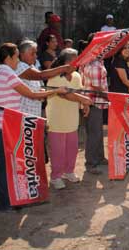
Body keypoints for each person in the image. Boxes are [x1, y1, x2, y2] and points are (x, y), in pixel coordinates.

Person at [0, 43, 66, 211]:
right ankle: (6, 202)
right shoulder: (8, 73)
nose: (18, 61)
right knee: (7, 164)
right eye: (16, 57)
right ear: (8, 58)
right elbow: (31, 94)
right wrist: (55, 91)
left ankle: (2, 195)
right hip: (5, 127)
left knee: (3, 163)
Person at [46, 49, 92, 189]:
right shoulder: (54, 76)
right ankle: (56, 176)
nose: (76, 64)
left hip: (72, 118)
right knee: (58, 150)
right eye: (74, 61)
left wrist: (84, 104)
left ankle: (69, 171)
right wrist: (83, 99)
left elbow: (79, 92)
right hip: (57, 119)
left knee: (72, 148)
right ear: (64, 62)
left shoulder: (77, 76)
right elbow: (64, 95)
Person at [16, 40, 74, 117]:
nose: (35, 56)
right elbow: (41, 75)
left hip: (33, 113)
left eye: (36, 53)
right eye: (32, 54)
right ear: (22, 55)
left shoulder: (31, 66)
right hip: (24, 113)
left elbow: (40, 83)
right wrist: (63, 68)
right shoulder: (19, 66)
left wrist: (41, 91)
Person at [80, 35, 109, 174]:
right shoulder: (94, 63)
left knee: (96, 131)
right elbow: (97, 87)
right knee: (95, 133)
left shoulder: (89, 60)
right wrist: (110, 97)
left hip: (91, 100)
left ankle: (99, 157)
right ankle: (91, 162)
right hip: (94, 101)